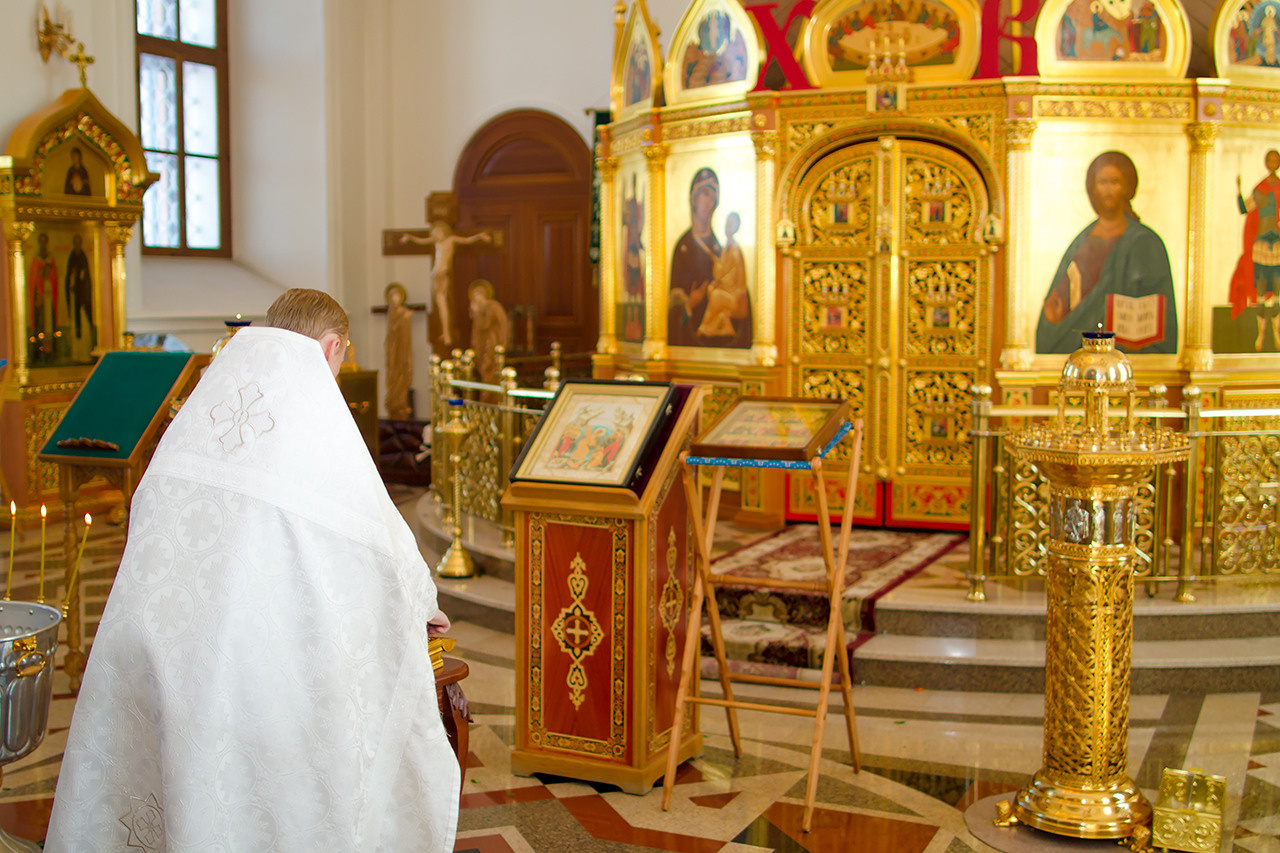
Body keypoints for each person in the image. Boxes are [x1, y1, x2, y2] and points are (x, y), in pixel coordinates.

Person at [46, 288, 459, 851]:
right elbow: (374, 539)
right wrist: (423, 602)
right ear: (333, 346)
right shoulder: (315, 418)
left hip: (151, 651)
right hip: (251, 672)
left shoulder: (205, 408)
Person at [1036, 150, 1177, 354]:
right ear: (1092, 188)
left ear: (1127, 187)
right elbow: (1065, 293)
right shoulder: (1083, 239)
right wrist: (1055, 314)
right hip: (1083, 349)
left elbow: (1157, 301)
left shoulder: (1145, 240)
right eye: (1102, 182)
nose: (1108, 189)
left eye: (1115, 182)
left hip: (1128, 350)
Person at [668, 168, 753, 348]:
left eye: (713, 198)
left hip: (722, 341)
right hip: (687, 346)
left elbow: (735, 283)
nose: (708, 202)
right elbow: (671, 307)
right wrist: (690, 303)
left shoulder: (720, 247)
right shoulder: (683, 248)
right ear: (693, 198)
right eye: (704, 194)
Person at [400, 221, 492, 349]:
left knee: (443, 304)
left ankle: (447, 333)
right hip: (435, 274)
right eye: (434, 233)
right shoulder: (436, 242)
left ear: (444, 231)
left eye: (438, 232)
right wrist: (408, 237)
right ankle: (445, 332)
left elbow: (466, 240)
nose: (436, 235)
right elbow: (421, 241)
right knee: (439, 304)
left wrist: (480, 236)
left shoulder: (451, 240)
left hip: (443, 274)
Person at [1229, 149, 1280, 350]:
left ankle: (1276, 335)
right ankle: (1260, 335)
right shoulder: (1260, 189)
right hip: (1260, 247)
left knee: (1277, 292)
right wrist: (1238, 190)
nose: (1272, 162)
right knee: (1260, 290)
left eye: (1275, 159)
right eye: (1269, 159)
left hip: (1276, 247)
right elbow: (1245, 209)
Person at [697, 211, 748, 338]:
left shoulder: (734, 250)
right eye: (727, 224)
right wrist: (716, 261)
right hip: (728, 291)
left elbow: (727, 276)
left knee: (715, 295)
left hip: (736, 296)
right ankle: (724, 325)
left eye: (731, 225)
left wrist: (716, 263)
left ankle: (704, 329)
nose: (727, 228)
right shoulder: (727, 247)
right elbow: (722, 271)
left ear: (735, 228)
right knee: (711, 289)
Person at [468, 278, 509, 385]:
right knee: (483, 373)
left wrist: (477, 311)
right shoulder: (479, 308)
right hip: (481, 344)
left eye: (479, 294)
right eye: (475, 294)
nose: (476, 297)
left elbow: (485, 325)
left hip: (491, 343)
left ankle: (490, 398)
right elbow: (476, 329)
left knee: (490, 373)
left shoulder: (492, 306)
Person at [383, 281, 414, 419]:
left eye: (397, 296)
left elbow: (405, 337)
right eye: (392, 296)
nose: (395, 299)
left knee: (402, 374)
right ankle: (394, 404)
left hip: (402, 351)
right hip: (392, 350)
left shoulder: (405, 313)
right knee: (392, 375)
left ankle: (401, 404)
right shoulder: (391, 312)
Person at [29, 231, 59, 362]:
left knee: (49, 328)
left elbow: (55, 280)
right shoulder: (36, 260)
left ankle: (50, 353)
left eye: (44, 241)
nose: (43, 244)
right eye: (40, 241)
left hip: (49, 302)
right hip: (40, 303)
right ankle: (40, 352)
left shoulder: (50, 259)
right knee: (40, 325)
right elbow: (32, 281)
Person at [64, 233, 93, 348]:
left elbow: (85, 276)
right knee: (75, 321)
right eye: (75, 242)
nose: (77, 244)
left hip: (82, 294)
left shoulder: (83, 257)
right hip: (74, 295)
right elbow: (68, 275)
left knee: (83, 320)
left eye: (78, 242)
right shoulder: (72, 256)